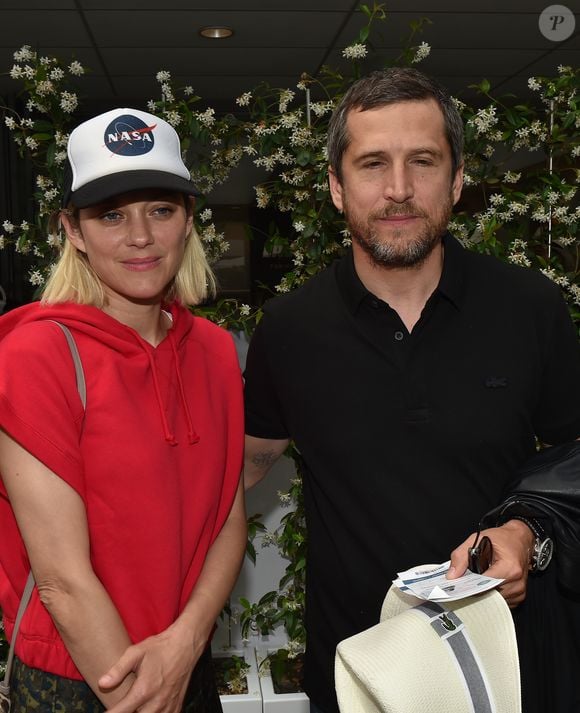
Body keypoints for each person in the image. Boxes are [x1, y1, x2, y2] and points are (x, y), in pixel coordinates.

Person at [243, 68, 580, 713]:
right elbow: (235, 470)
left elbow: (573, 457)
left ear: (456, 181)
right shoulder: (289, 329)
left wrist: (526, 533)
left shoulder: (530, 308)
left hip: (508, 670)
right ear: (338, 189)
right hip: (360, 677)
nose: (398, 190)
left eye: (422, 161)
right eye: (372, 164)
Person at [0, 107, 246, 712]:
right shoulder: (36, 354)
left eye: (160, 210)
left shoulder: (215, 350)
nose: (140, 236)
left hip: (186, 663)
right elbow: (61, 579)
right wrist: (143, 697)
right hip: (80, 677)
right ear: (74, 230)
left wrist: (186, 644)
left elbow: (228, 521)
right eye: (111, 215)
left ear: (188, 221)